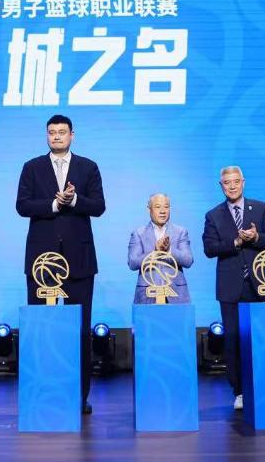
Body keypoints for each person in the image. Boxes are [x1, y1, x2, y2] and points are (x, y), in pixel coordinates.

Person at [16, 114, 105, 414]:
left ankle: (79, 396)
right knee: (40, 329)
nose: (56, 136)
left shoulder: (88, 167)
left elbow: (99, 206)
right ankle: (42, 392)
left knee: (79, 330)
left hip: (79, 262)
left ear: (72, 135)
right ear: (46, 136)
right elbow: (22, 205)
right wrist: (54, 204)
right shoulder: (32, 167)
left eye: (62, 132)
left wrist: (75, 200)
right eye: (51, 132)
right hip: (42, 264)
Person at [202, 165, 265, 411]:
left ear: (243, 182)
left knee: (263, 339)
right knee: (234, 341)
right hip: (230, 287)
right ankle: (239, 391)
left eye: (236, 181)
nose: (232, 186)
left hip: (261, 284)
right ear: (221, 186)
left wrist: (256, 238)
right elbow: (209, 249)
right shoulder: (213, 215)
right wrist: (235, 242)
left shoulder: (261, 207)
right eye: (227, 182)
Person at [127, 193, 193, 303]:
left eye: (166, 207)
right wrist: (155, 252)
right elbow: (133, 263)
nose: (163, 211)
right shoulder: (138, 233)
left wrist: (169, 251)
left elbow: (188, 260)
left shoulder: (180, 232)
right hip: (147, 294)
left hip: (176, 294)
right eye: (158, 207)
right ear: (149, 209)